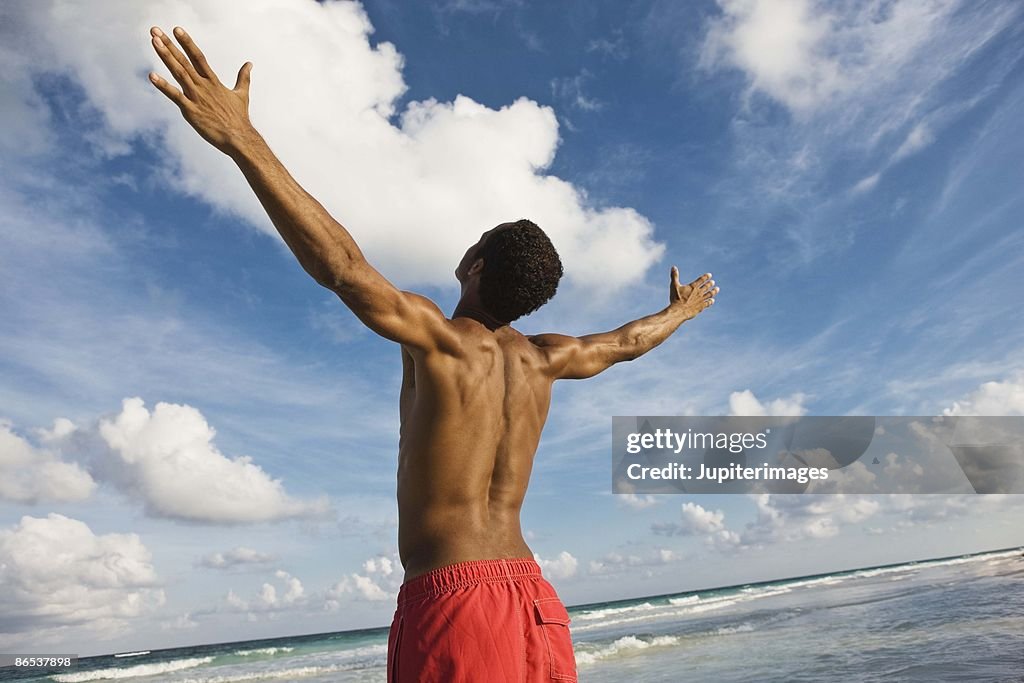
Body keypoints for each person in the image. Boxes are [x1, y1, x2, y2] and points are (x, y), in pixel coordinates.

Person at [147, 26, 718, 682]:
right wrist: (680, 311)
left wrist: (242, 140)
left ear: (474, 264)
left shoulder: (441, 341)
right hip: (536, 601)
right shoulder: (546, 358)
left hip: (456, 604)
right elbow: (625, 343)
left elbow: (344, 268)